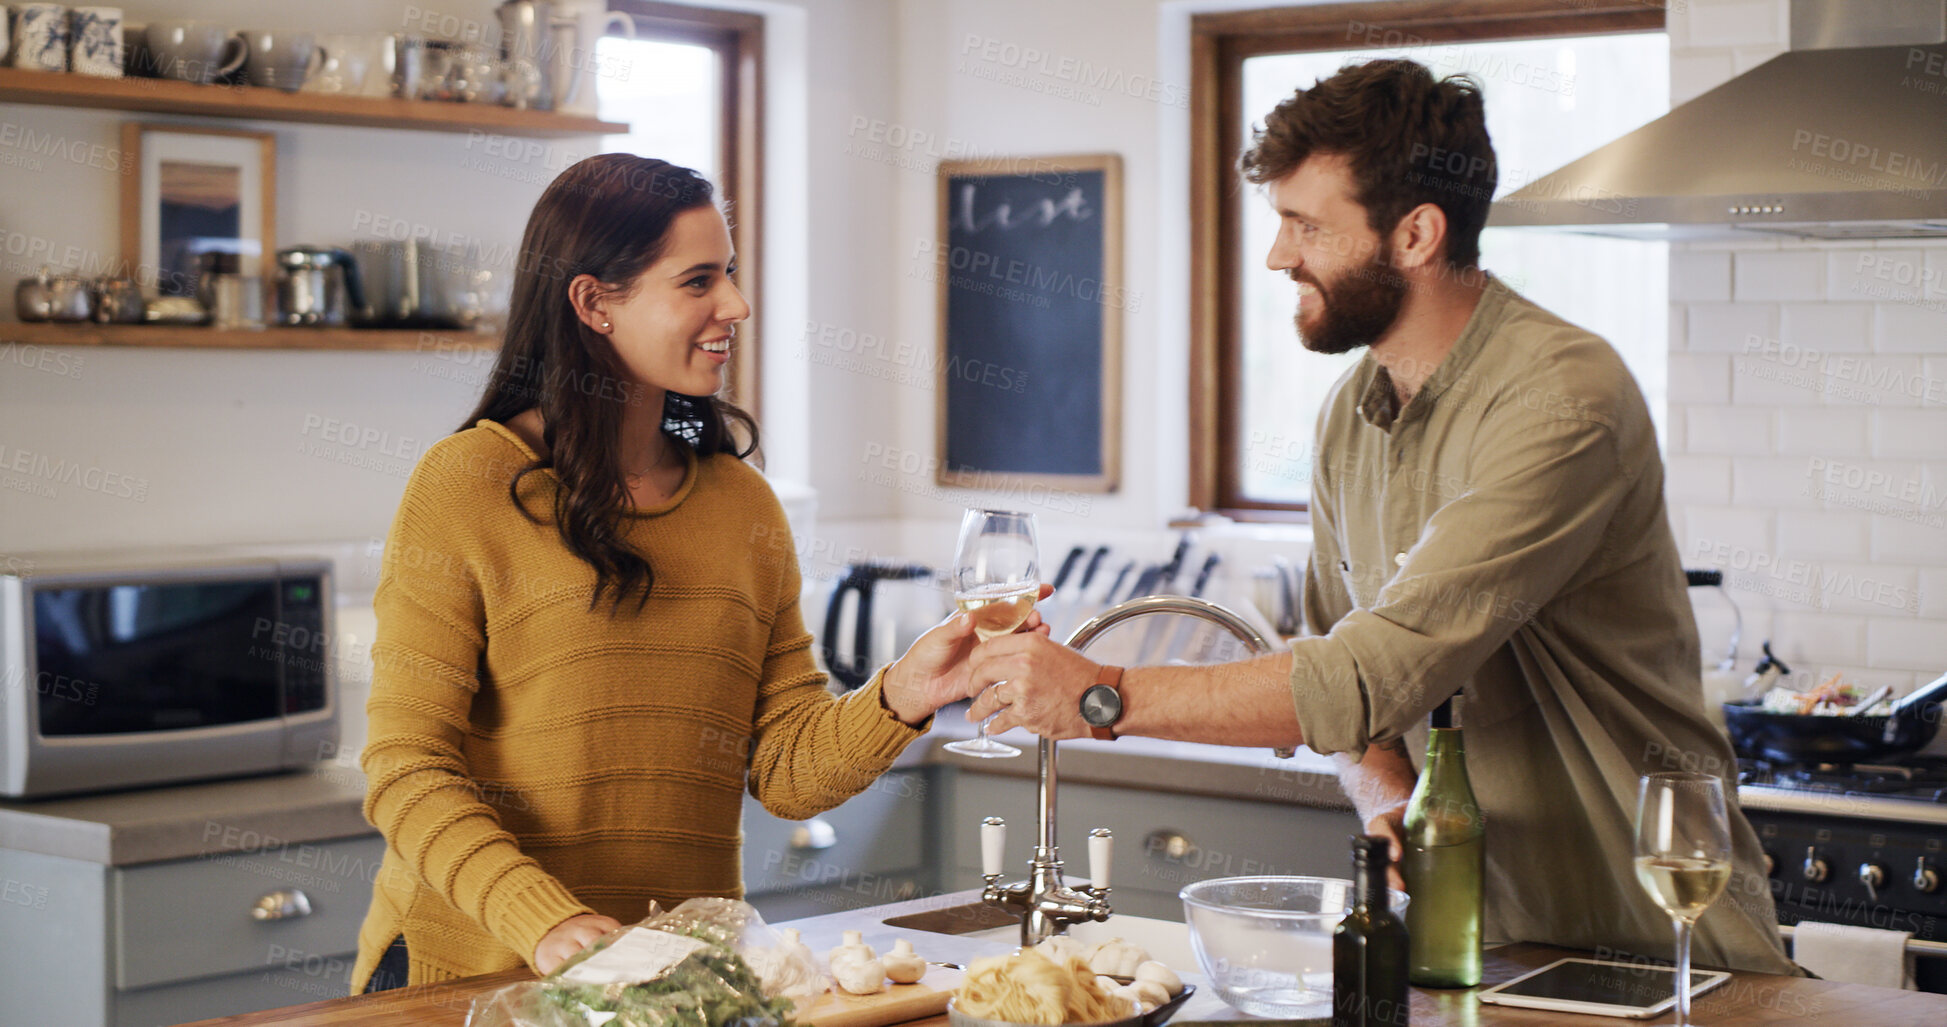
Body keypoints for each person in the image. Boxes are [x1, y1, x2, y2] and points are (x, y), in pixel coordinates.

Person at [964, 60, 1796, 976]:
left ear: (1415, 233)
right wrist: (1384, 792)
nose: (1278, 255)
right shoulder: (1351, 411)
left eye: (1305, 225)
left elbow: (1368, 673)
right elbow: (1341, 665)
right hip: (1475, 954)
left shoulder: (1563, 397)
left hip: (1655, 950)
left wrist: (1101, 695)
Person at [351, 154, 1043, 993]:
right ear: (593, 302)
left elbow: (785, 769)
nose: (736, 306)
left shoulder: (742, 507)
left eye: (732, 274)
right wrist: (552, 922)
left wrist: (904, 690)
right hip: (470, 973)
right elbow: (406, 768)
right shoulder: (465, 485)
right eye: (698, 280)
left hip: (676, 985)